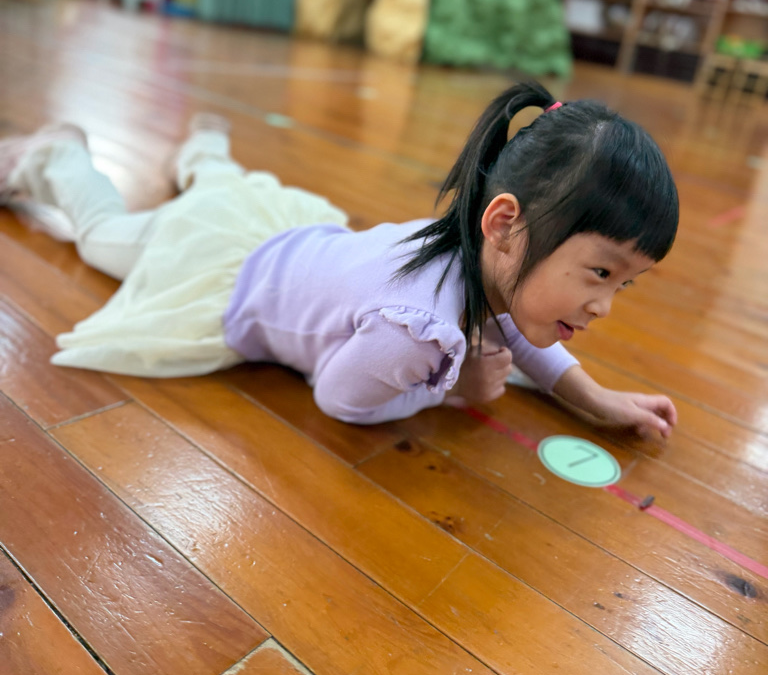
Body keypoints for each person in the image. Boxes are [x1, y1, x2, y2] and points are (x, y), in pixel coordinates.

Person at [0, 81, 679, 436]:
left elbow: (519, 333)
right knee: (102, 237)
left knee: (220, 195)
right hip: (227, 272)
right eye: (600, 272)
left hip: (287, 238)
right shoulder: (413, 330)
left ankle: (206, 156)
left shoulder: (480, 249)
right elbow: (339, 400)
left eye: (624, 283)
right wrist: (450, 391)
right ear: (504, 224)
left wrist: (595, 399)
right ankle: (56, 159)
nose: (603, 305)